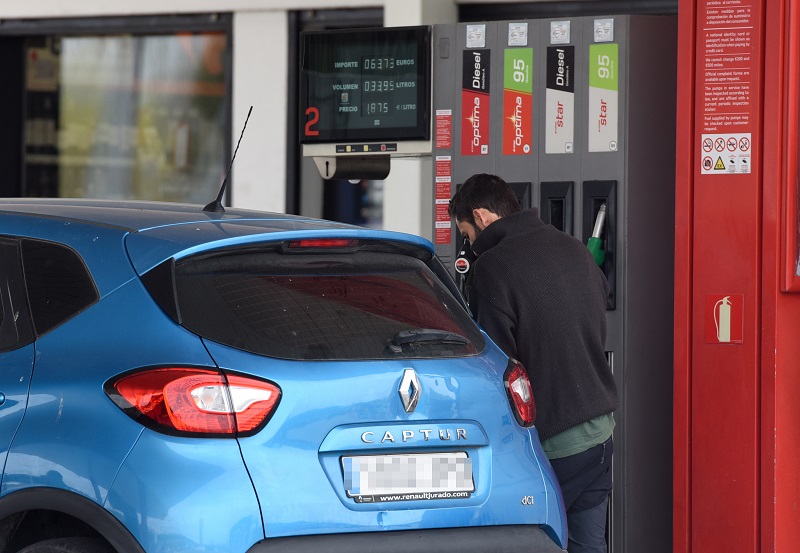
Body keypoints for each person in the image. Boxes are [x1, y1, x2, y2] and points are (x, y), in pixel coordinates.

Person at [448, 173, 618, 553]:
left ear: (482, 216)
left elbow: (497, 367)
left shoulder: (493, 268)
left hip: (550, 440)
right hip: (599, 431)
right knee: (588, 543)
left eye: (467, 234)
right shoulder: (573, 248)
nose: (469, 247)